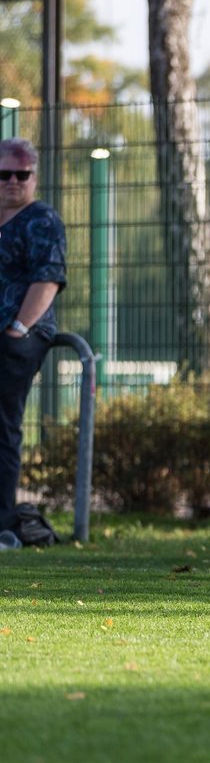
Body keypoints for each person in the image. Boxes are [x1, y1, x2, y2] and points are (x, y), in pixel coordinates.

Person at [0, 138, 66, 516]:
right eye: (5, 173)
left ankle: (4, 520)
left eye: (22, 174)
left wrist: (18, 329)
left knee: (3, 424)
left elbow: (47, 281)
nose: (13, 181)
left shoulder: (42, 220)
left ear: (33, 178)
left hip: (20, 334)